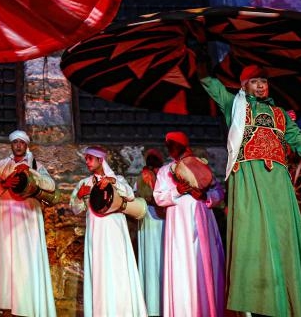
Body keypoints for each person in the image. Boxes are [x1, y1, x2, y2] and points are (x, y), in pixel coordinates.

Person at [201, 63, 301, 316]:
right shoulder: (235, 105)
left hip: (278, 183)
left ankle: (288, 303)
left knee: (284, 239)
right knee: (251, 239)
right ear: (244, 86)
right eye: (255, 81)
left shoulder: (280, 114)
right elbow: (210, 84)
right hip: (249, 180)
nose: (261, 85)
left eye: (264, 80)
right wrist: (197, 53)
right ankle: (252, 306)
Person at [152, 131, 225, 317]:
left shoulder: (200, 166)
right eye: (168, 145)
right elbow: (158, 198)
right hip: (178, 227)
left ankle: (207, 309)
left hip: (202, 221)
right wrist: (177, 190)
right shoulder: (164, 171)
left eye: (172, 144)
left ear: (182, 146)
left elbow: (218, 192)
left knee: (203, 262)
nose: (169, 149)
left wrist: (206, 196)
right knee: (181, 266)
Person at [70, 146, 147, 317]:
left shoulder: (116, 179)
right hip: (95, 234)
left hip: (114, 232)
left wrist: (112, 181)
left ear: (100, 160)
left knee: (118, 271)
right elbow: (75, 209)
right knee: (99, 274)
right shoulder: (85, 183)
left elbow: (130, 196)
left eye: (91, 158)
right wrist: (79, 197)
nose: (87, 161)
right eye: (86, 158)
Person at [0, 130, 56, 317]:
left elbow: (51, 186)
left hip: (28, 218)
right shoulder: (2, 166)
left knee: (28, 260)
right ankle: (8, 304)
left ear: (26, 145)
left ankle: (30, 304)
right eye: (15, 142)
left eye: (22, 142)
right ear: (11, 144)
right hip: (8, 218)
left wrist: (31, 172)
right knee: (9, 259)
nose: (18, 145)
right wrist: (4, 184)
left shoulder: (36, 165)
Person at [135, 149, 165, 317]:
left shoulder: (166, 174)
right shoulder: (142, 177)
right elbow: (139, 195)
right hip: (148, 218)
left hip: (162, 219)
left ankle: (162, 301)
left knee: (161, 258)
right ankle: (151, 303)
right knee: (151, 260)